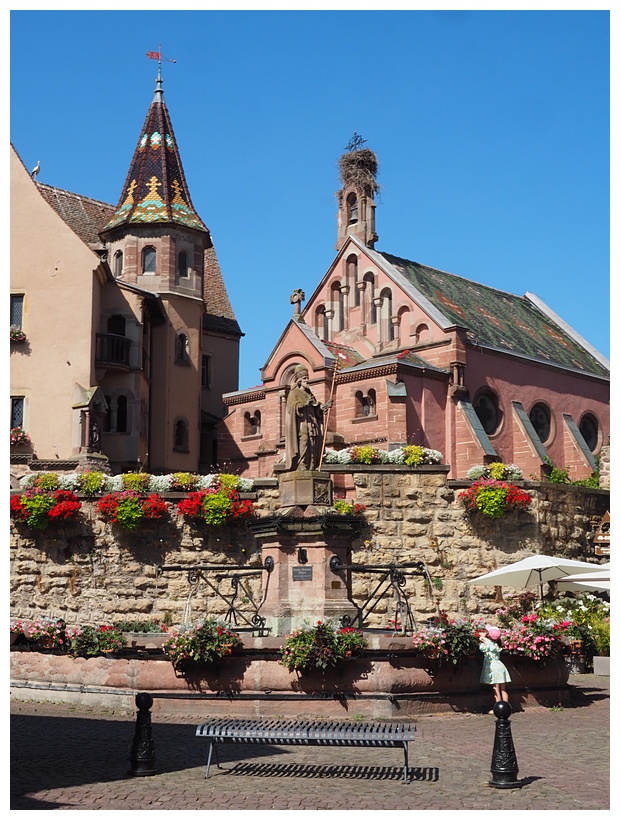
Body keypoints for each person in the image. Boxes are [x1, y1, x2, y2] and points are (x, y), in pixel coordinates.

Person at [284, 365, 331, 471]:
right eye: (305, 379)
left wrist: (323, 407)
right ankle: (302, 465)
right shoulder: (294, 393)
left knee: (312, 443)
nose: (307, 380)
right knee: (304, 442)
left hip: (312, 423)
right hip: (302, 424)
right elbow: (291, 407)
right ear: (299, 380)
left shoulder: (310, 394)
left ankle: (311, 466)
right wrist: (304, 404)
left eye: (307, 378)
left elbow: (316, 408)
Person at [479, 624, 511, 703]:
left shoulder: (488, 644)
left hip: (493, 669)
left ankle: (498, 707)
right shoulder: (497, 645)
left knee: (496, 689)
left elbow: (481, 643)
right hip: (500, 667)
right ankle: (506, 706)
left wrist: (483, 636)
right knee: (503, 689)